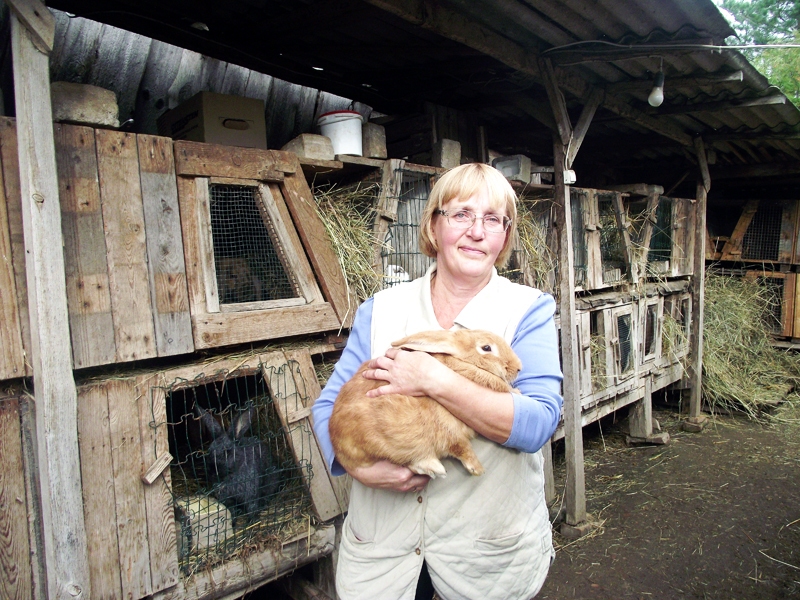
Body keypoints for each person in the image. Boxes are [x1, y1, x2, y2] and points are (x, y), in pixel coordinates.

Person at [311, 162, 563, 600]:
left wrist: (434, 380)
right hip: (385, 555)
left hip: (484, 559)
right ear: (433, 225)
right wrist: (357, 465)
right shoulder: (381, 309)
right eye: (461, 214)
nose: (476, 232)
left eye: (493, 219)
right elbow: (327, 407)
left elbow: (539, 421)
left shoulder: (528, 309)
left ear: (505, 235)